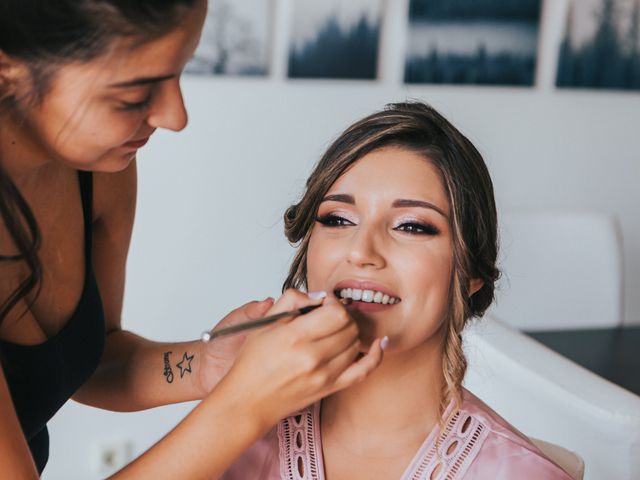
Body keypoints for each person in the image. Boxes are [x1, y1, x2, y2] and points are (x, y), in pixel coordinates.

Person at [0, 1, 385, 478]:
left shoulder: (98, 168)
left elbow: (89, 361)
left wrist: (207, 365)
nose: (175, 116)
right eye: (134, 96)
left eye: (180, 73)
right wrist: (247, 402)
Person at [221, 102, 574, 479]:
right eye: (338, 219)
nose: (361, 251)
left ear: (470, 272)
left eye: (410, 226)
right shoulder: (226, 442)